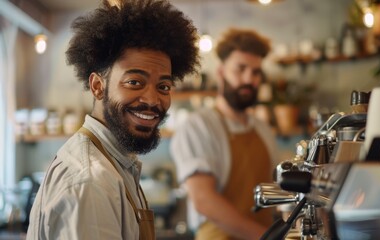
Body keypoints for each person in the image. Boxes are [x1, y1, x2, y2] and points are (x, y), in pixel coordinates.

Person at [26, 0, 199, 239]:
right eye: (134, 82)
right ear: (98, 86)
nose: (152, 99)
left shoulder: (116, 165)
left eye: (163, 86)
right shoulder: (90, 182)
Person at [170, 28, 280, 240]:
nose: (249, 78)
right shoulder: (198, 126)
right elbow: (203, 199)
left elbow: (274, 191)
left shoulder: (263, 129)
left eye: (256, 72)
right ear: (221, 72)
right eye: (240, 69)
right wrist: (265, 237)